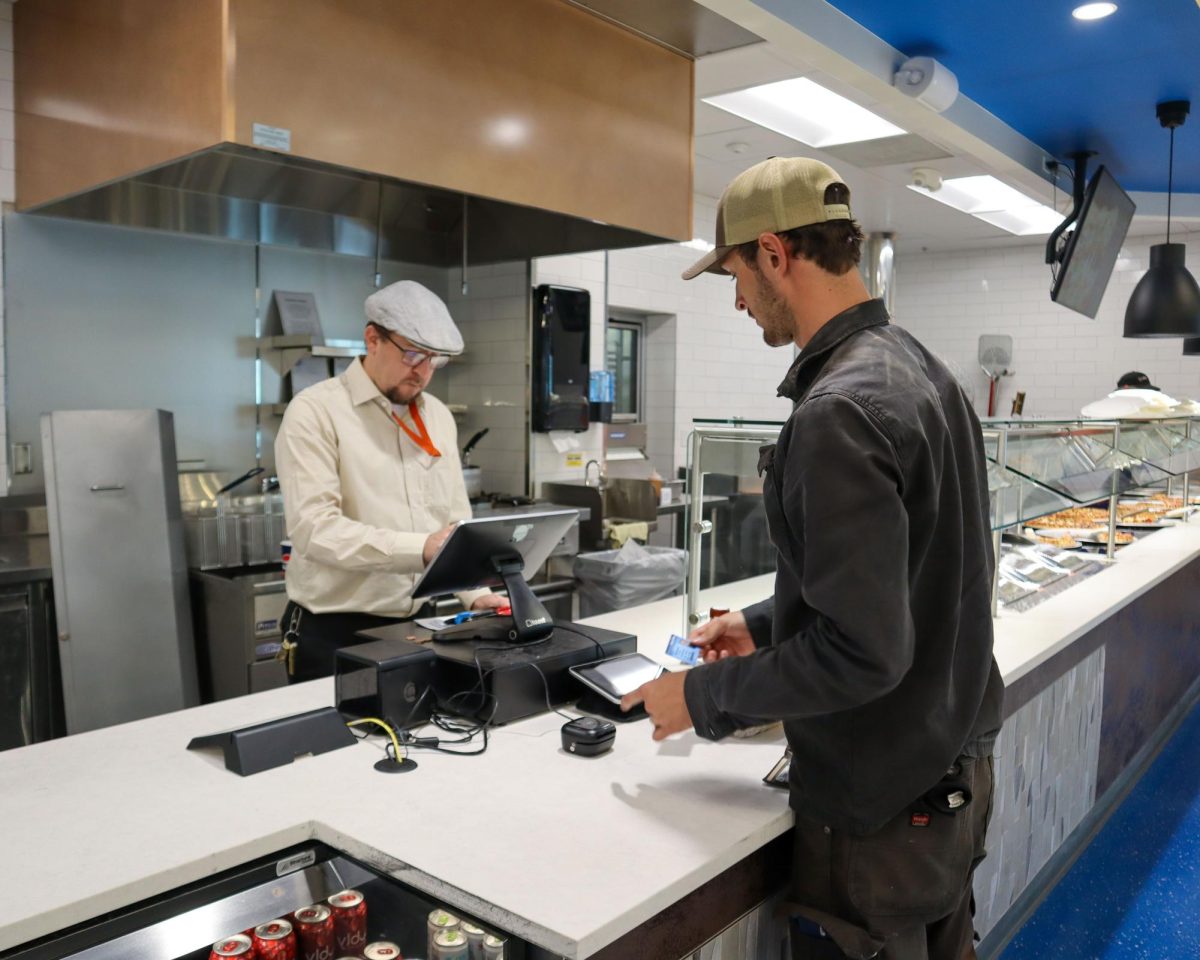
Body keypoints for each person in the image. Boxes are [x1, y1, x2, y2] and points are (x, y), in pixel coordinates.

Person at [621, 157, 1004, 960]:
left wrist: (701, 694)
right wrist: (765, 624)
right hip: (951, 773)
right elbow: (924, 571)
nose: (736, 298)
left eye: (733, 272)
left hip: (879, 814)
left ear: (773, 253)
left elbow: (864, 652)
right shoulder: (927, 372)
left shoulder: (838, 411)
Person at [275, 281, 506, 682]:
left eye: (434, 360)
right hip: (334, 634)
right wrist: (420, 548)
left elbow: (453, 521)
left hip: (418, 627)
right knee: (340, 746)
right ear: (372, 340)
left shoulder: (437, 415)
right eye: (413, 354)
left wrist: (475, 593)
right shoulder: (315, 412)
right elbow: (315, 530)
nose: (422, 373)